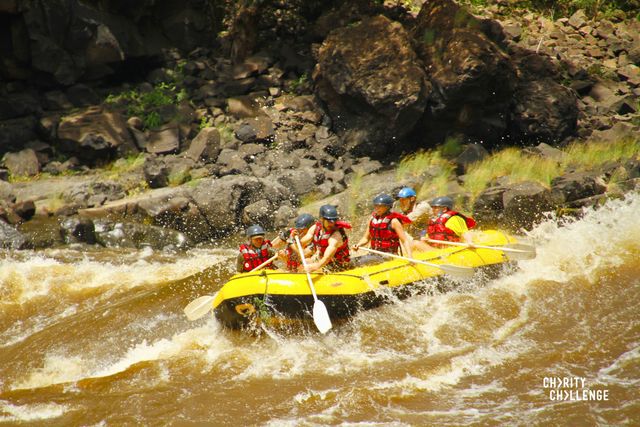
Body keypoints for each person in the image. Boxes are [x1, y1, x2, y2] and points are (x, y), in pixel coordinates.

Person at [353, 193, 413, 258]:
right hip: (374, 254)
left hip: (389, 255)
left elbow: (404, 241)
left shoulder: (394, 221)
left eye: (380, 206)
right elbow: (365, 238)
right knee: (353, 261)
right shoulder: (372, 220)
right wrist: (358, 245)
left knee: (362, 262)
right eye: (376, 206)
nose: (377, 208)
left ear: (387, 207)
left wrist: (410, 256)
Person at [299, 204, 351, 272]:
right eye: (329, 221)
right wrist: (295, 239)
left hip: (338, 266)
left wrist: (315, 267)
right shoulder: (315, 228)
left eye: (334, 220)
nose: (332, 224)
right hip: (322, 261)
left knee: (312, 267)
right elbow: (302, 242)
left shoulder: (336, 236)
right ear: (321, 219)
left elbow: (327, 258)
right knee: (303, 263)